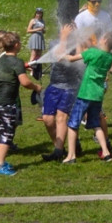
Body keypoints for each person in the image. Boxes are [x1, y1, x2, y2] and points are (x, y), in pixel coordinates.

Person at [62, 30, 112, 164]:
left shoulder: (93, 52)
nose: (99, 39)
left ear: (104, 41)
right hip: (98, 95)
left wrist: (62, 55)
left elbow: (71, 58)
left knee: (72, 124)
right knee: (96, 124)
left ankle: (71, 156)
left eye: (102, 37)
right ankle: (105, 152)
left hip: (85, 93)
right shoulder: (110, 57)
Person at [0, 32, 42, 175]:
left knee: (1, 131)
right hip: (6, 103)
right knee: (6, 133)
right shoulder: (17, 62)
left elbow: (9, 70)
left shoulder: (3, 58)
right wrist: (36, 87)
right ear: (17, 45)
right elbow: (25, 82)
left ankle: (0, 161)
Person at [40, 23, 86, 162]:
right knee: (47, 119)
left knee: (61, 118)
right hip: (54, 85)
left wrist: (78, 40)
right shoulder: (55, 43)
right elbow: (58, 55)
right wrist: (64, 38)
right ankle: (59, 146)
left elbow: (80, 59)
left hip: (70, 87)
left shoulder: (77, 44)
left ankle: (58, 151)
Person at [26, 7, 46, 105]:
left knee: (39, 55)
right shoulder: (33, 20)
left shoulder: (42, 21)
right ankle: (31, 68)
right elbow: (28, 30)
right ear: (35, 13)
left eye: (40, 13)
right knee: (33, 54)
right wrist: (38, 29)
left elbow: (43, 30)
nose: (39, 14)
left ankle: (38, 69)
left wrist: (43, 31)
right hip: (35, 37)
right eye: (38, 13)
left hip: (40, 37)